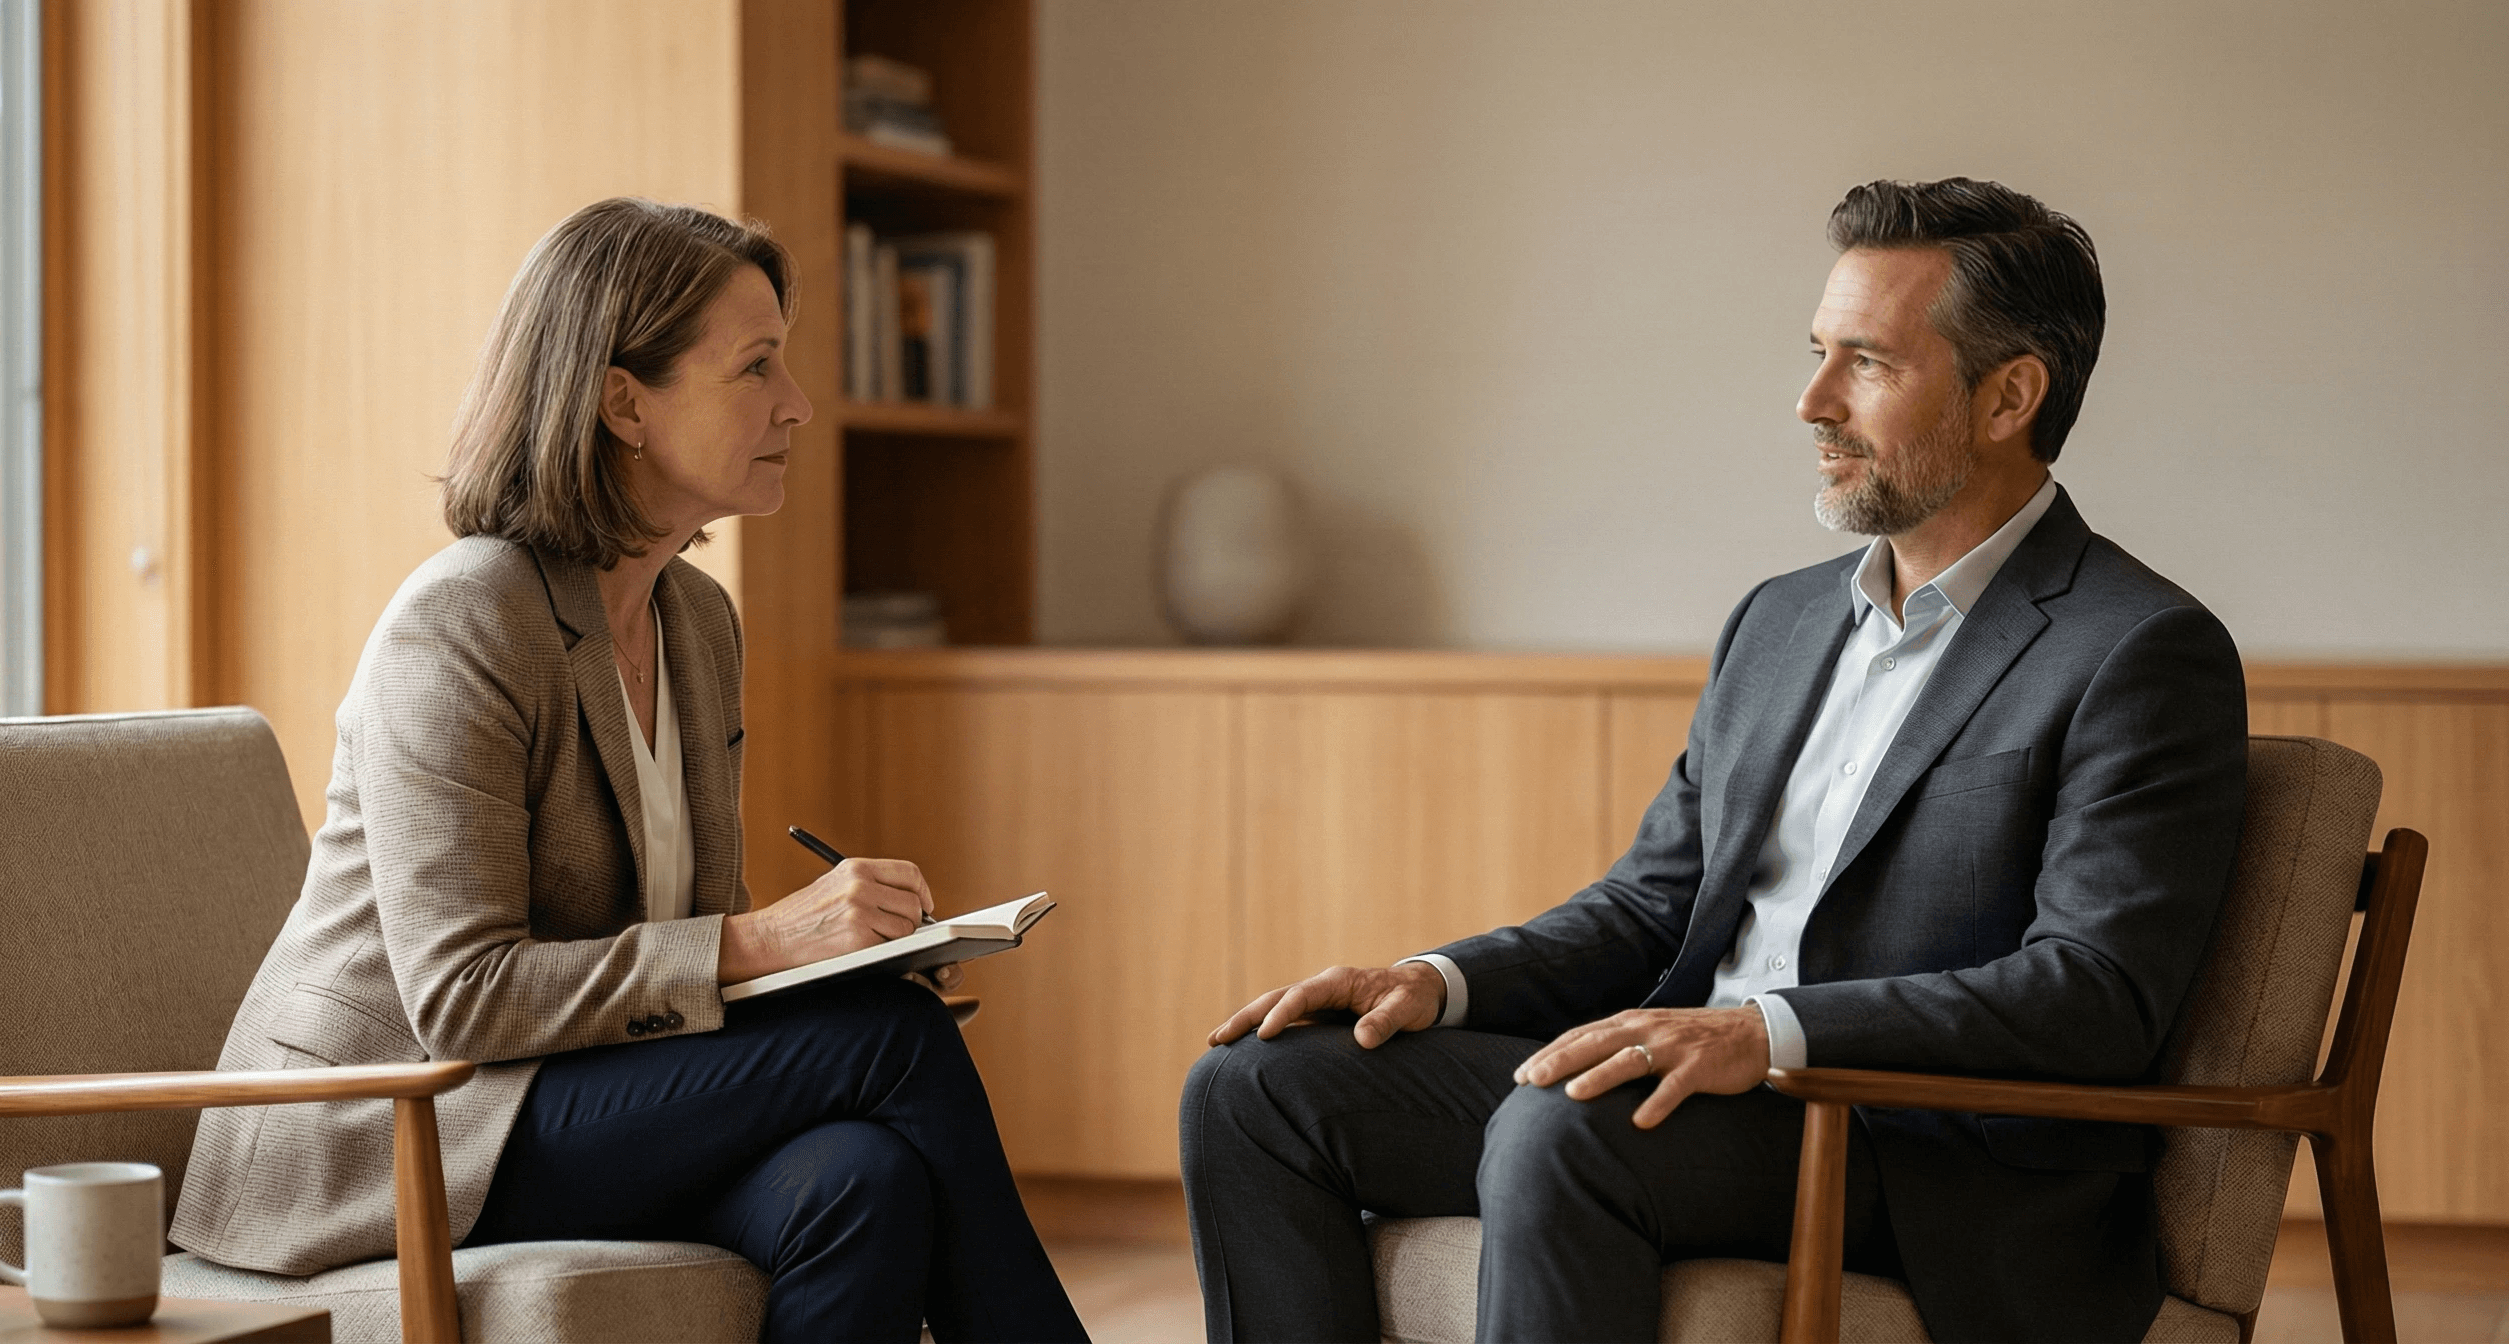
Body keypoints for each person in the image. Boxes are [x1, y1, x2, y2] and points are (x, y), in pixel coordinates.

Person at [1179, 178, 2247, 1343]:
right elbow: (1653, 906)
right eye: (1814, 353)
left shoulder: (2136, 649)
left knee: (1570, 1124)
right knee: (1256, 1087)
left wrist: (1766, 1032)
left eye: (1867, 365)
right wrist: (1436, 980)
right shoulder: (1777, 623)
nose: (1810, 401)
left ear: (2009, 397)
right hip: (1697, 1092)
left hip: (1921, 1150)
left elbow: (2092, 996)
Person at [169, 197, 1086, 1344]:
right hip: (394, 1126)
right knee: (890, 1049)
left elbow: (685, 950)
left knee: (861, 1179)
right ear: (622, 403)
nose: (797, 405)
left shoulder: (695, 622)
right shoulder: (460, 622)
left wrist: (837, 970)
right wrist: (770, 945)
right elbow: (461, 996)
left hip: (560, 1094)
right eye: (756, 368)